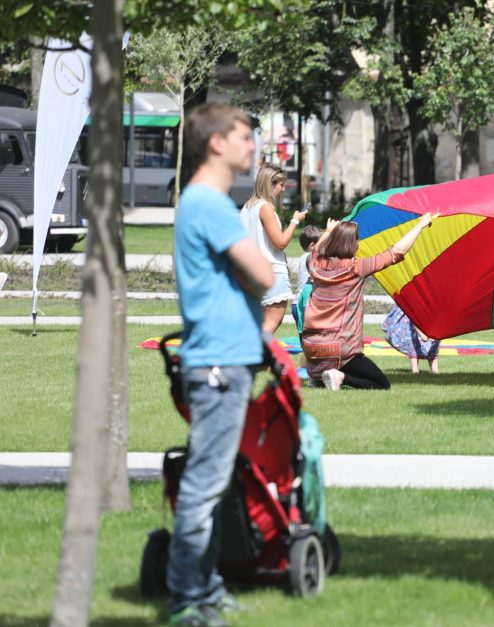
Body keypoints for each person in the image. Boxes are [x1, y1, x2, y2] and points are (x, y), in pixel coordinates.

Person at [169, 103, 274, 627]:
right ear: (216, 143)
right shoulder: (208, 203)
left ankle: (205, 588)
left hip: (223, 357)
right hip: (217, 361)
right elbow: (262, 272)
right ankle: (187, 597)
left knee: (213, 479)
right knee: (204, 483)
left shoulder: (203, 201)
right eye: (244, 136)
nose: (252, 145)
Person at [302, 213, 438, 390]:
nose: (358, 244)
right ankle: (339, 376)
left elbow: (316, 250)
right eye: (357, 240)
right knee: (381, 384)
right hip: (340, 349)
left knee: (337, 366)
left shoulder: (316, 264)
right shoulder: (355, 268)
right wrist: (420, 225)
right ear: (352, 243)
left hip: (312, 347)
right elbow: (396, 252)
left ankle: (319, 377)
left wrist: (328, 232)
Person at [239, 163, 308, 334]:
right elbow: (281, 242)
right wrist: (295, 220)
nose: (283, 189)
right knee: (269, 325)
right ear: (269, 184)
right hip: (271, 273)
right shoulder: (265, 208)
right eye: (281, 185)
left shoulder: (246, 208)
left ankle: (248, 357)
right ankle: (248, 356)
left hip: (249, 273)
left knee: (255, 325)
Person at [382, 304, 441, 374]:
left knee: (433, 349)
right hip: (414, 321)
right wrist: (422, 335)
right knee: (414, 347)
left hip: (428, 320)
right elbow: (414, 320)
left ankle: (435, 371)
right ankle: (415, 372)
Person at [292, 225, 323, 337]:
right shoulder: (309, 257)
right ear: (312, 245)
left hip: (297, 303)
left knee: (304, 339)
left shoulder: (302, 257)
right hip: (305, 304)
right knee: (311, 338)